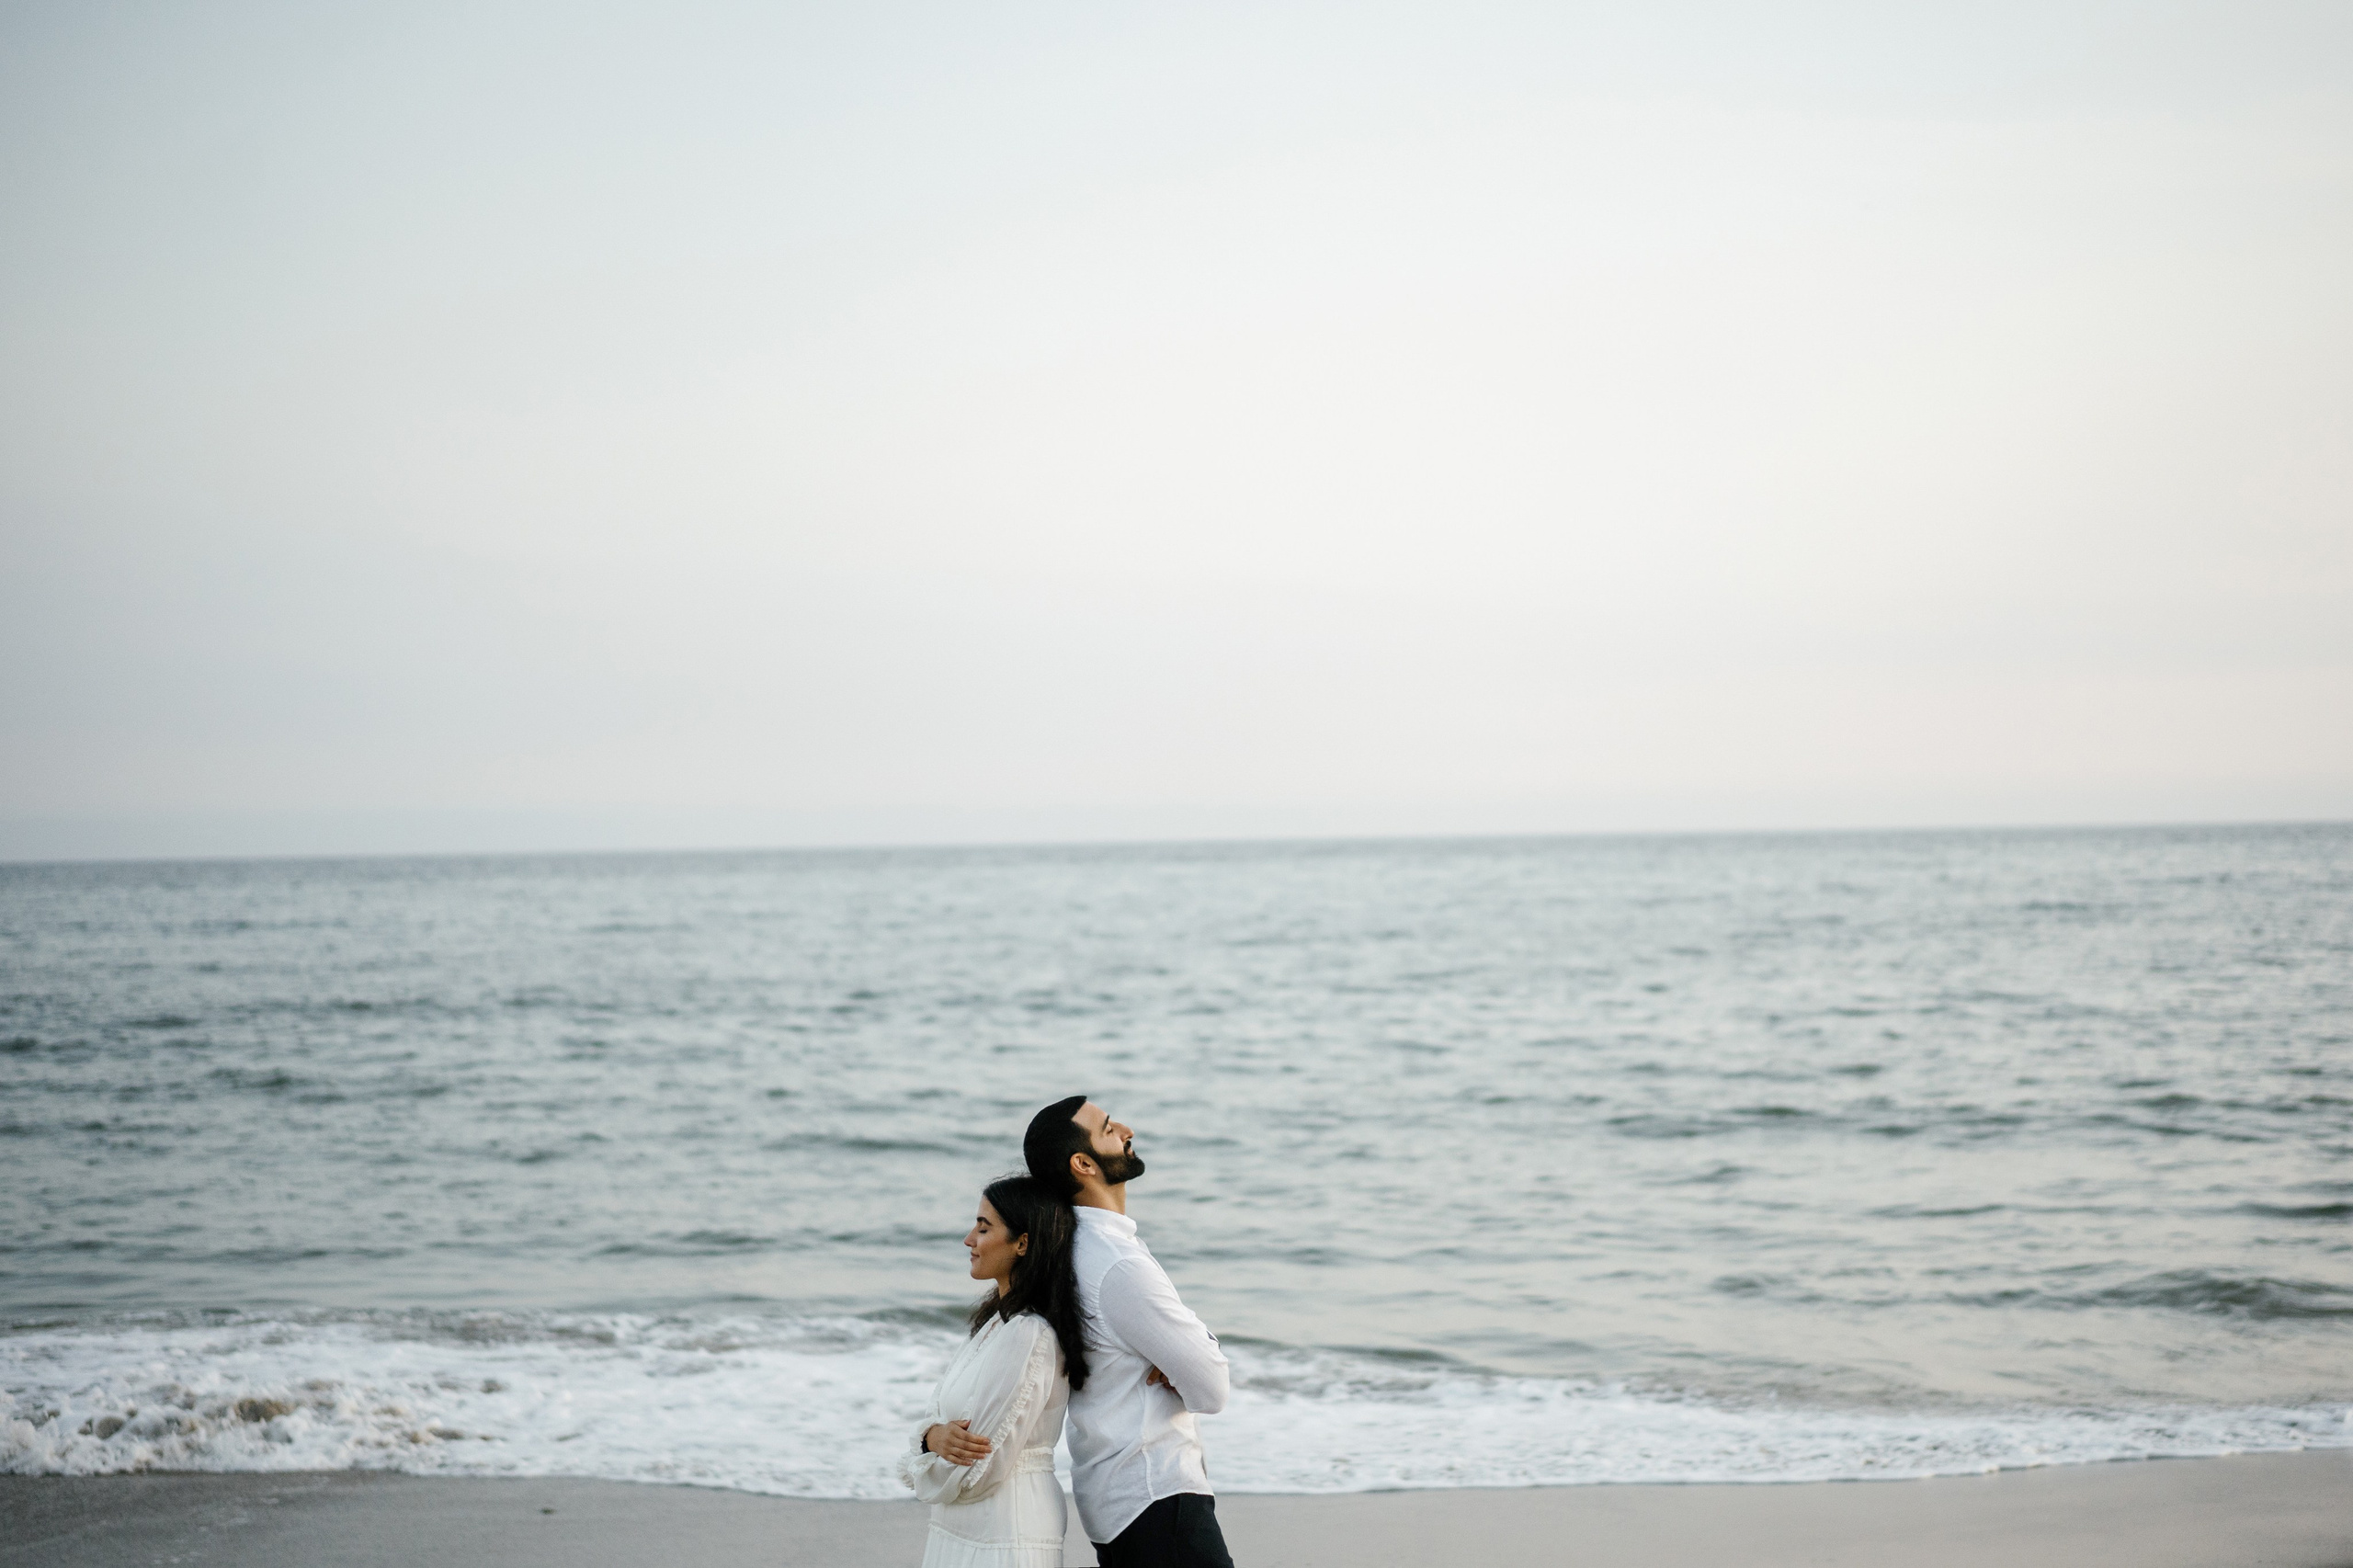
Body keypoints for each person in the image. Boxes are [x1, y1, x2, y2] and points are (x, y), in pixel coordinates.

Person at [1024, 1096, 1234, 1568]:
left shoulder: (1077, 1249)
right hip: (1155, 1495)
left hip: (1117, 1499)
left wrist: (1184, 1355)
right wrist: (1195, 1353)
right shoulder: (1117, 1264)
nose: (1126, 1128)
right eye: (1106, 1128)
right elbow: (1213, 1388)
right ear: (1083, 1164)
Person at [898, 1174, 1089, 1568]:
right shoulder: (995, 1325)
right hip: (966, 1527)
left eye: (984, 1228)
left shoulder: (1028, 1333)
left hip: (1005, 1530)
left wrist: (928, 1456)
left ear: (1023, 1242)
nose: (969, 1240)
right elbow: (944, 1424)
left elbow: (977, 1471)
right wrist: (930, 1438)